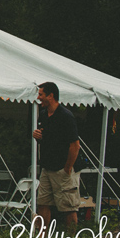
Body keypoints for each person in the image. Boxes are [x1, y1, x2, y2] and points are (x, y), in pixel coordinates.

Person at [33, 81, 81, 229]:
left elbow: (75, 145)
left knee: (68, 207)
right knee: (42, 203)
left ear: (51, 96)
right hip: (47, 168)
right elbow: (47, 136)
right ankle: (42, 237)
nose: (38, 97)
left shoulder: (66, 116)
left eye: (41, 94)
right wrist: (37, 135)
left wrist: (68, 168)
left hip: (63, 168)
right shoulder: (43, 115)